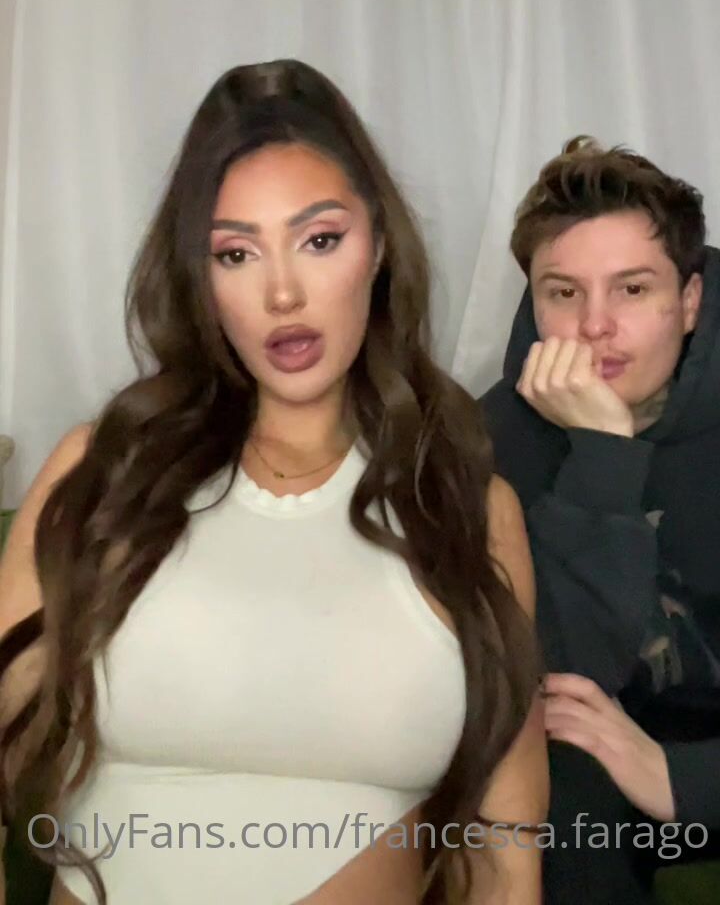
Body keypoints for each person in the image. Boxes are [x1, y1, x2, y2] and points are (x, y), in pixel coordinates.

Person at [0, 59, 547, 905]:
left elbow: (506, 851)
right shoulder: (102, 475)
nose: (283, 292)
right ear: (201, 278)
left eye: (319, 240)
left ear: (378, 247)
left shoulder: (465, 509)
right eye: (236, 253)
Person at [481, 136, 720, 903]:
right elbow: (557, 678)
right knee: (554, 778)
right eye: (563, 293)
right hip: (591, 784)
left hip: (701, 769)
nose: (595, 326)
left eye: (632, 289)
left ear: (690, 301)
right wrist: (603, 455)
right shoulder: (485, 444)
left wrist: (682, 778)